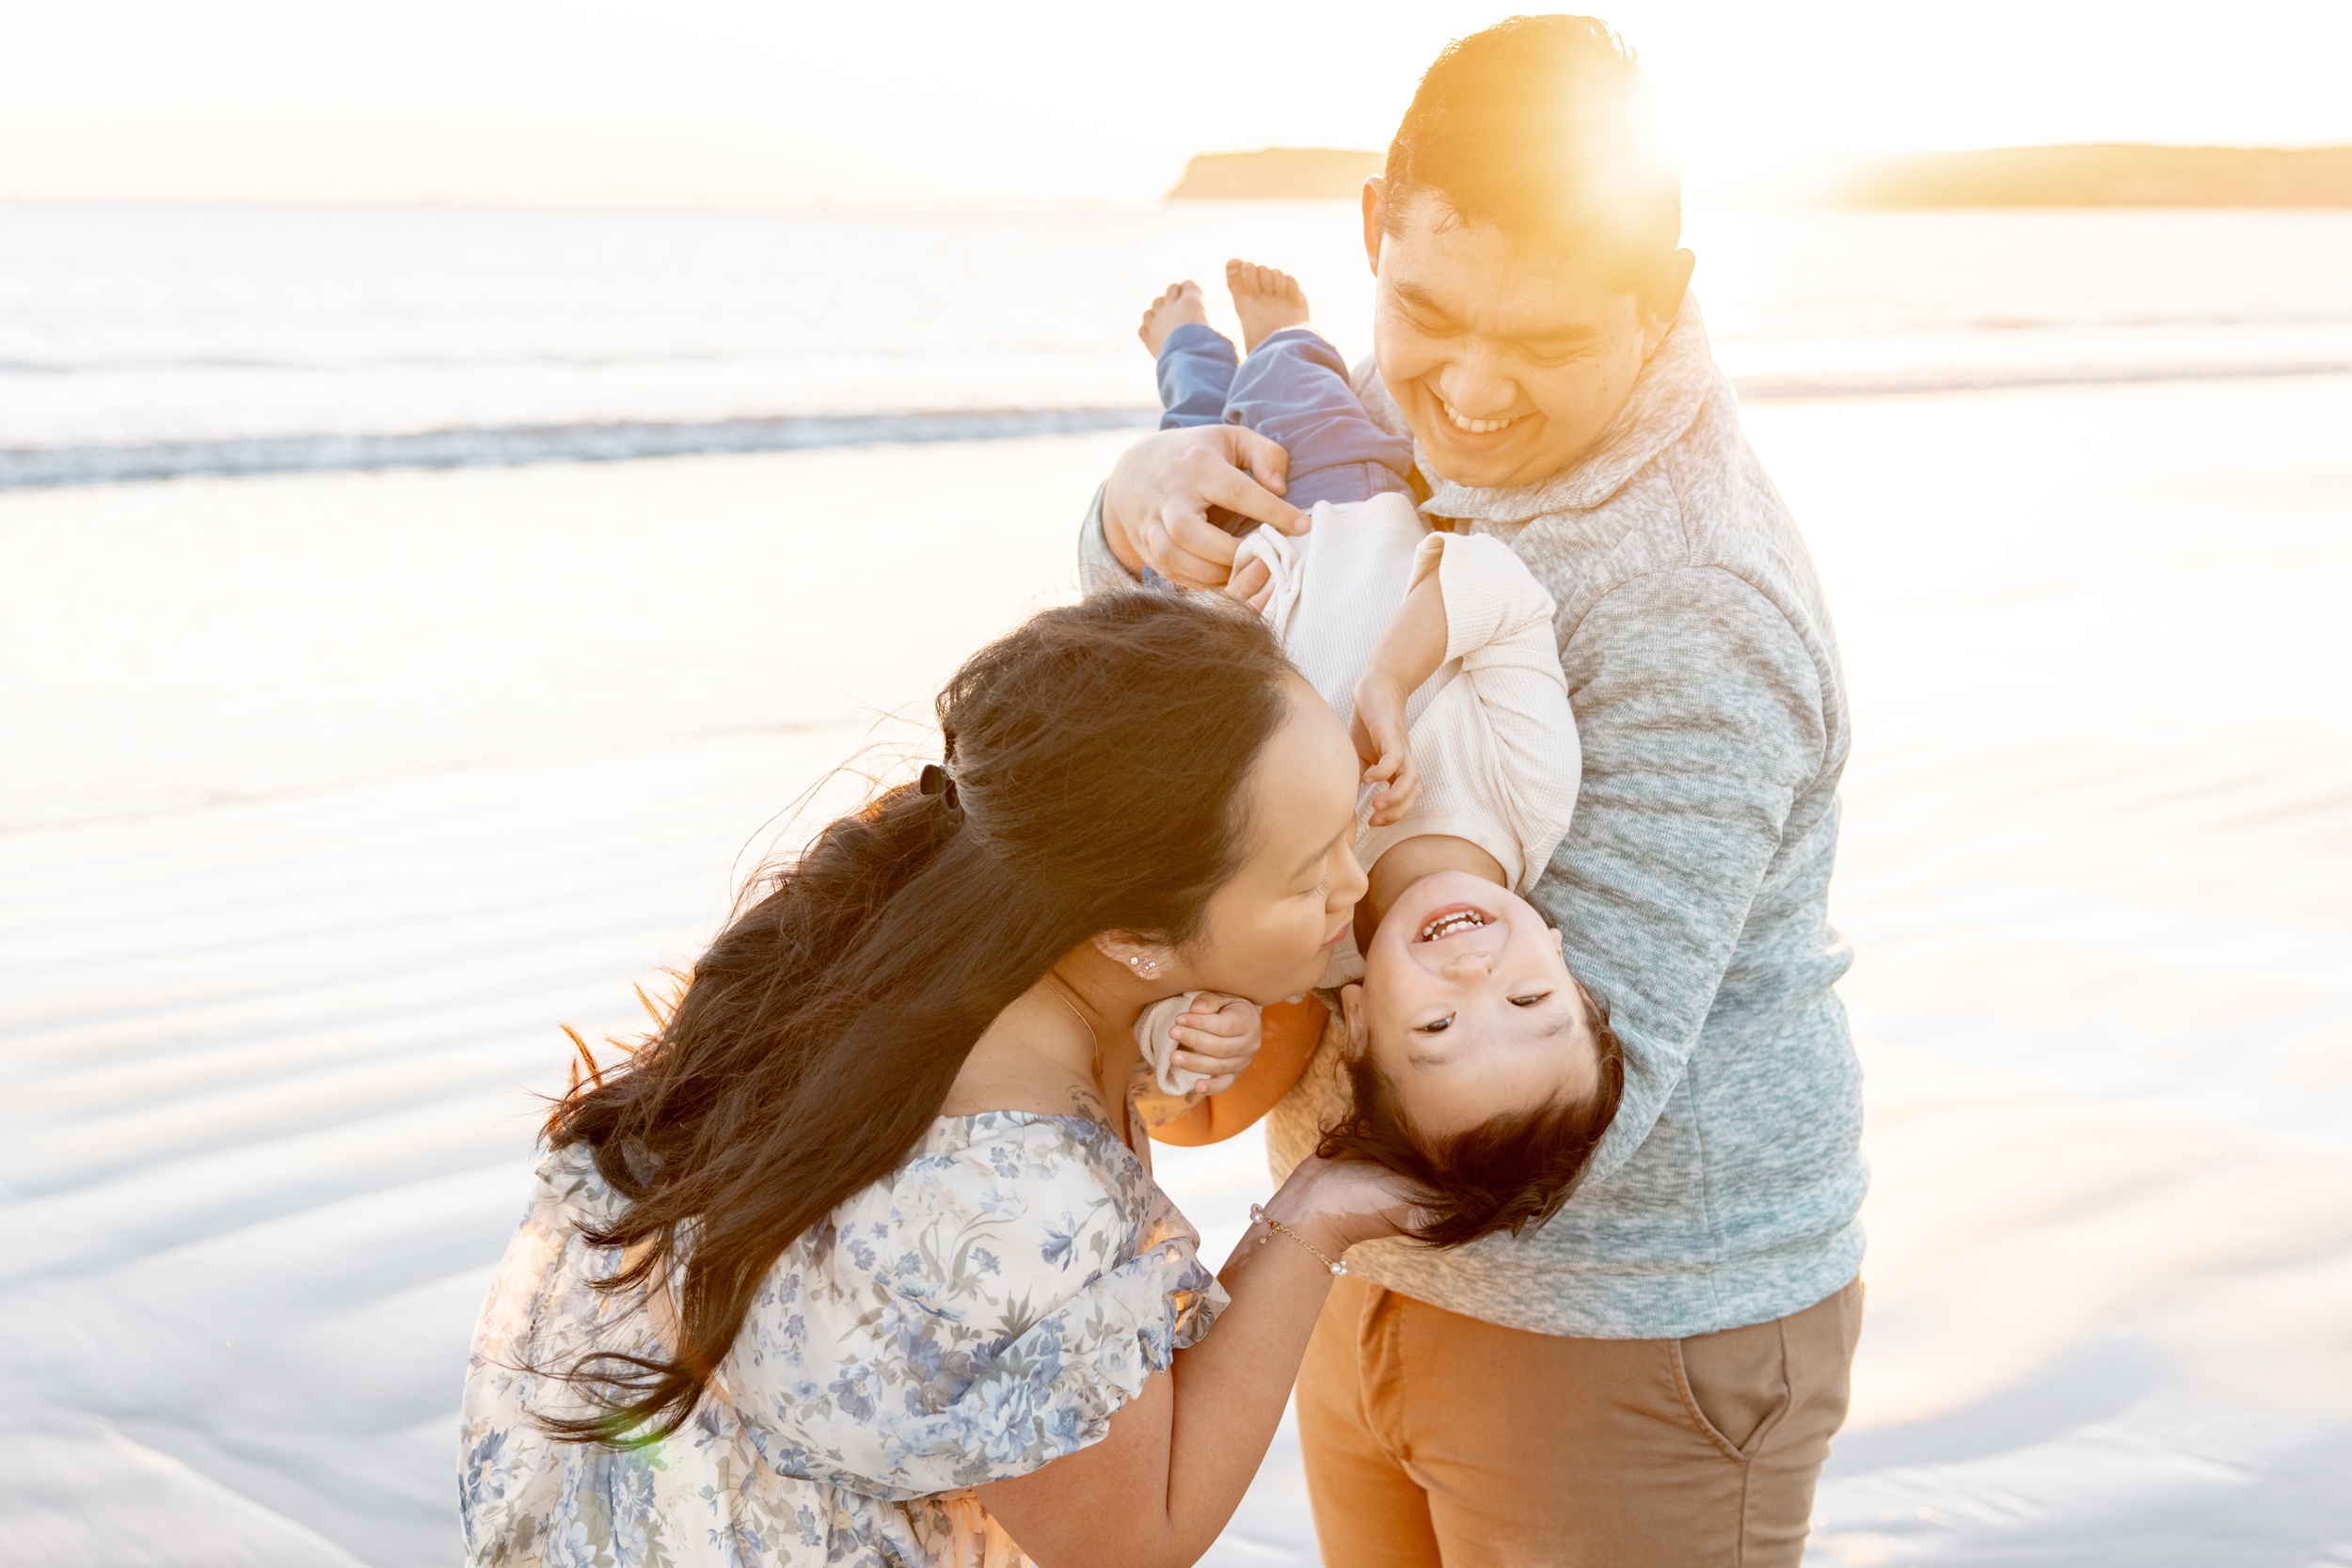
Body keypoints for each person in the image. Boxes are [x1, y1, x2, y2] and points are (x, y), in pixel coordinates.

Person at [1082, 15, 1867, 1566]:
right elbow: (1165, 671)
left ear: (1664, 306)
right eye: (1430, 313)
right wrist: (1128, 516)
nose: (1476, 391)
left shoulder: (1696, 599)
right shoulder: (1373, 414)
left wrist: (1275, 1159)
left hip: (1632, 1321)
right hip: (1359, 1262)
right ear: (1377, 229)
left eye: (1555, 344)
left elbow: (1598, 1089)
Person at [457, 593, 1417, 1568]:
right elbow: (1136, 1539)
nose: (1356, 883)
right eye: (1309, 877)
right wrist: (1317, 1214)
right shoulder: (1023, 1197)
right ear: (1131, 933)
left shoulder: (916, 937)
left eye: (1352, 830)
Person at [1129, 260, 1626, 1248]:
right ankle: (1284, 332)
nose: (1475, 974)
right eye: (1528, 998)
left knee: (1191, 442)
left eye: (1435, 1029)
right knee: (1286, 392)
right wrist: (1388, 680)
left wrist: (1181, 1041)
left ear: (1353, 1023)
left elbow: (1162, 936)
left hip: (1213, 601)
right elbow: (1498, 588)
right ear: (1568, 967)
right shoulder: (1527, 795)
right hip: (1341, 510)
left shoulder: (1306, 934)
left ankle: (1184, 350)